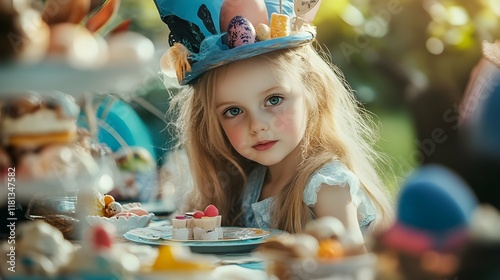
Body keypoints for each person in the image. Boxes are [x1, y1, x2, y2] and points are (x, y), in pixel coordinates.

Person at [154, 0, 394, 238]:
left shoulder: (327, 187)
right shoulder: (250, 181)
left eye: (274, 100)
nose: (257, 125)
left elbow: (349, 271)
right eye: (233, 111)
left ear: (313, 92)